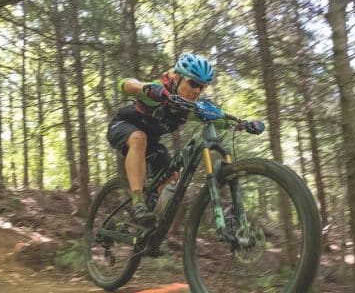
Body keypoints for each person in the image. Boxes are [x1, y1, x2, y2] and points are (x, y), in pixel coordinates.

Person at [106, 52, 262, 226]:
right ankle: (137, 203)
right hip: (121, 127)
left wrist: (244, 124)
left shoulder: (188, 108)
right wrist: (144, 87)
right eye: (193, 83)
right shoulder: (157, 89)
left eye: (202, 87)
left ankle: (148, 229)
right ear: (178, 77)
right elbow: (124, 85)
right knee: (139, 137)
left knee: (172, 178)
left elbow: (220, 119)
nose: (197, 91)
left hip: (152, 146)